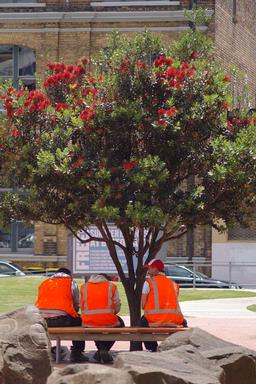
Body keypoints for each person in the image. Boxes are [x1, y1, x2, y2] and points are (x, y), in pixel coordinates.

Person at [35, 267, 88, 363]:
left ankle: (44, 352)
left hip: (42, 320)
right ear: (69, 275)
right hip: (62, 319)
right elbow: (76, 305)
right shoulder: (71, 283)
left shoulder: (45, 283)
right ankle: (77, 353)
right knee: (80, 320)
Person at [140, 259, 186, 352]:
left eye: (150, 268)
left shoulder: (148, 282)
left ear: (156, 269)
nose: (148, 271)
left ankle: (152, 349)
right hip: (174, 320)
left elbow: (143, 305)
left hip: (153, 320)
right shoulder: (174, 284)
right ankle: (175, 349)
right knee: (184, 325)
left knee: (141, 326)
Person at [80, 273, 124, 363]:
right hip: (107, 320)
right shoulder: (111, 286)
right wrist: (111, 313)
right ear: (106, 279)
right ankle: (104, 349)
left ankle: (100, 350)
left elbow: (81, 305)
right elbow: (117, 305)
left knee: (94, 326)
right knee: (120, 324)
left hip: (88, 321)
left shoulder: (84, 287)